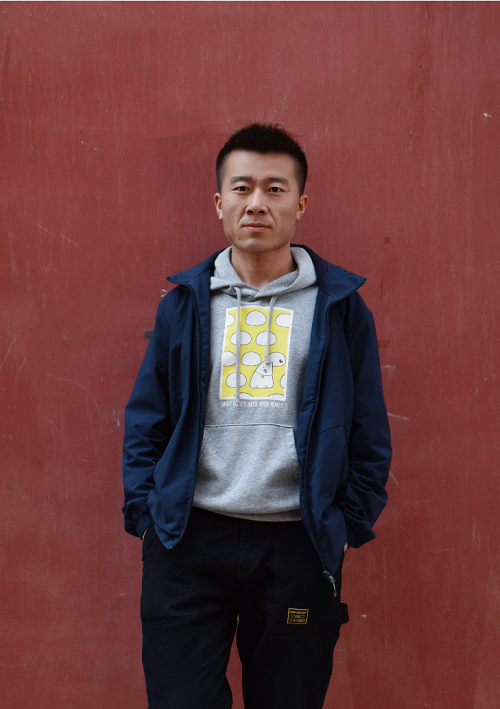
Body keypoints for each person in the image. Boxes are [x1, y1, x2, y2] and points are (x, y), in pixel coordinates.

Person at [122, 123, 391, 709]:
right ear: (220, 202)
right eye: (242, 188)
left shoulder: (340, 307)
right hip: (188, 540)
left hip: (297, 543)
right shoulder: (185, 304)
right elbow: (147, 418)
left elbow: (369, 428)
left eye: (275, 188)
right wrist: (147, 515)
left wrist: (344, 525)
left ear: (301, 203)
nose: (257, 203)